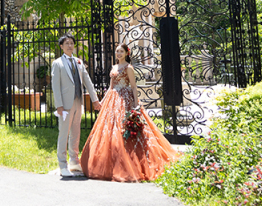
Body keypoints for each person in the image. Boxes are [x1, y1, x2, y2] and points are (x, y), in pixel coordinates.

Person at [79, 43, 178, 182]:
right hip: (112, 99)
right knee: (109, 129)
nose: (118, 54)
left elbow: (133, 86)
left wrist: (136, 104)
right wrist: (102, 101)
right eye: (117, 51)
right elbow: (110, 87)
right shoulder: (114, 67)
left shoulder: (128, 68)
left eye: (121, 51)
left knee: (124, 128)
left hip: (125, 99)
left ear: (126, 53)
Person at [52, 33, 101, 177]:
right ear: (61, 46)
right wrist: (59, 105)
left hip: (78, 102)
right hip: (65, 105)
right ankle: (62, 165)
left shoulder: (78, 62)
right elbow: (55, 86)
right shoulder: (57, 63)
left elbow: (88, 81)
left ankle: (74, 161)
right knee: (63, 134)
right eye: (66, 43)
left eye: (71, 43)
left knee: (75, 133)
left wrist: (95, 99)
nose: (69, 46)